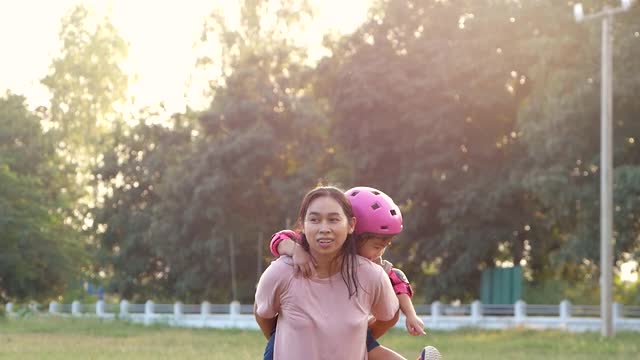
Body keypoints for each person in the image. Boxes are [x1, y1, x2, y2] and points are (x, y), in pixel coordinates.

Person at [267, 186, 442, 360]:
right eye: (376, 247)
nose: (379, 254)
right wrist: (294, 250)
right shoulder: (317, 246)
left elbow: (398, 283)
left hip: (343, 330)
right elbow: (280, 238)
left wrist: (411, 315)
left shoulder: (373, 268)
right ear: (353, 235)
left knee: (369, 347)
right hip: (299, 330)